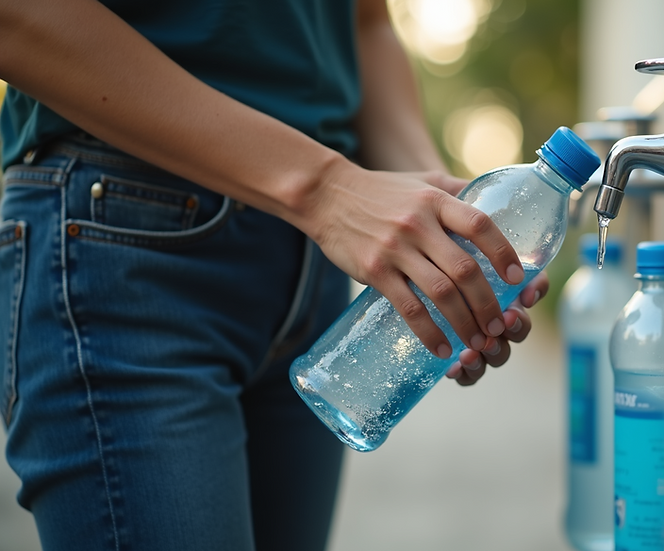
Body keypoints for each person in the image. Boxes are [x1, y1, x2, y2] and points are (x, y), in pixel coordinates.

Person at [0, 1, 550, 550]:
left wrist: (443, 229)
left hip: (312, 264)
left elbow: (365, 21)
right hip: (128, 238)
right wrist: (326, 189)